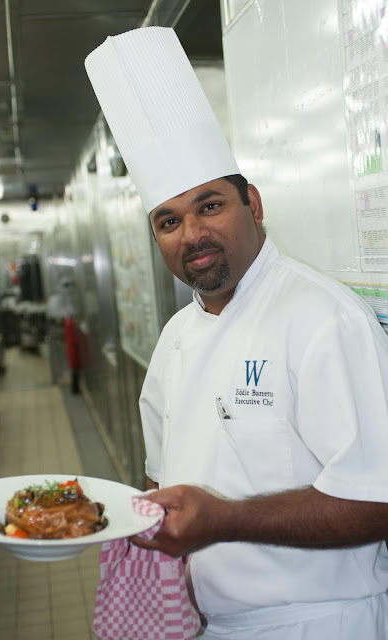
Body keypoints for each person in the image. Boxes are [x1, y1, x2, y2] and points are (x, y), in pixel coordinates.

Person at [85, 27, 388, 639]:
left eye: (210, 205)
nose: (191, 233)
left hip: (318, 624)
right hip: (204, 622)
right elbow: (161, 482)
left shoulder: (323, 319)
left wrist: (223, 520)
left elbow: (377, 501)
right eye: (169, 220)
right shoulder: (174, 341)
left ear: (252, 202)